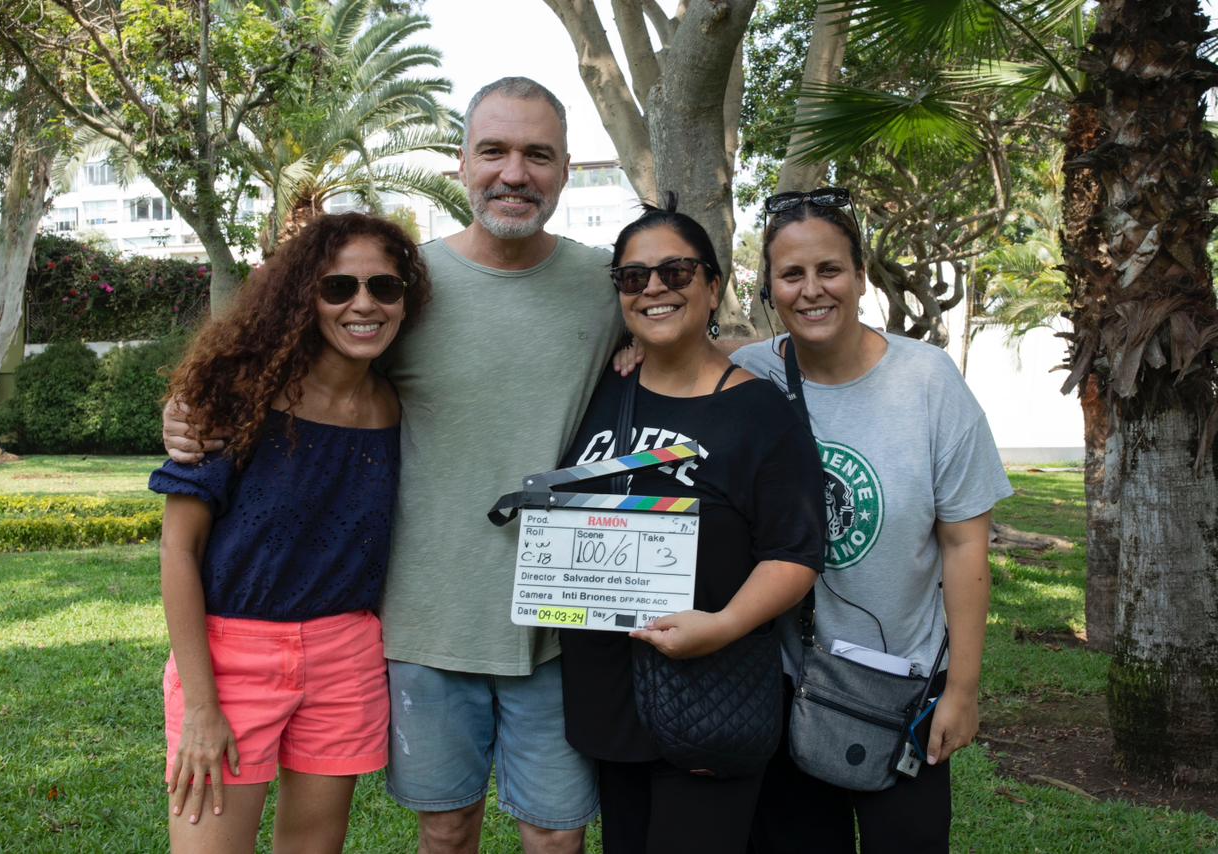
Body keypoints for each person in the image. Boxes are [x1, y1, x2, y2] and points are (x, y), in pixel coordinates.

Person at [164, 77, 623, 854]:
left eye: (537, 154)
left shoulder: (608, 285)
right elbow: (278, 351)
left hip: (554, 621)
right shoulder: (414, 285)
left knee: (555, 838)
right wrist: (185, 406)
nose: (515, 172)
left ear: (566, 169)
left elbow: (691, 344)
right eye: (494, 151)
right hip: (423, 623)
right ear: (459, 163)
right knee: (445, 831)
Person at [731, 189, 1013, 853]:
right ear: (770, 288)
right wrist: (637, 352)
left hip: (906, 694)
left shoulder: (928, 381)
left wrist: (963, 691)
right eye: (791, 275)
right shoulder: (749, 376)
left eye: (829, 270)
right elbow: (683, 365)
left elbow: (966, 544)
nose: (812, 291)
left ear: (861, 276)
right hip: (789, 692)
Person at [150, 212, 431, 853]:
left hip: (347, 657)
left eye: (384, 287)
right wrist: (201, 705)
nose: (364, 303)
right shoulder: (234, 399)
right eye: (339, 288)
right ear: (303, 295)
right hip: (230, 659)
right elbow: (178, 549)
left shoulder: (396, 405)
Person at [558, 199, 825, 853]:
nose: (653, 288)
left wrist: (725, 626)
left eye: (675, 273)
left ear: (712, 286)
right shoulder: (600, 388)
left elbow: (795, 551)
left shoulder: (760, 413)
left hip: (709, 694)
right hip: (610, 701)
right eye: (633, 277)